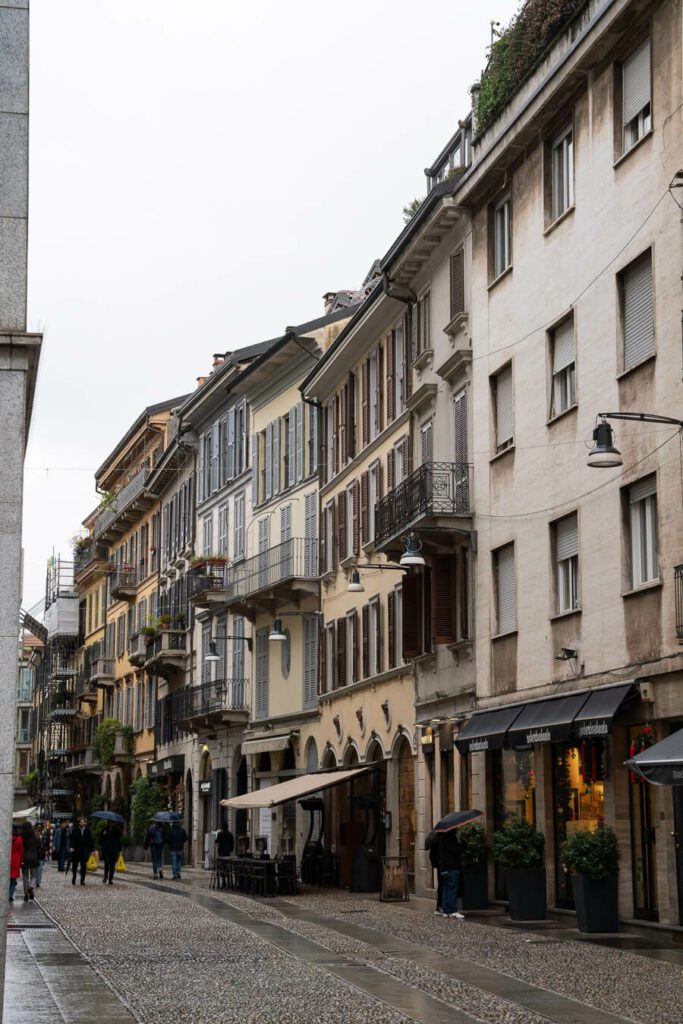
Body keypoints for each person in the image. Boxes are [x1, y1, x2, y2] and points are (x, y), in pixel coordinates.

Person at [438, 829, 465, 919]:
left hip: (443, 868)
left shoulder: (442, 838)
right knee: (452, 889)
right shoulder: (451, 838)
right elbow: (456, 850)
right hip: (451, 867)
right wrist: (464, 843)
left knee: (446, 889)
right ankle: (452, 910)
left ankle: (446, 910)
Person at [70, 816, 94, 886]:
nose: (82, 823)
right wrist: (71, 847)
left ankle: (82, 880)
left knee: (83, 865)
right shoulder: (75, 830)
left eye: (83, 822)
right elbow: (71, 839)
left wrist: (92, 849)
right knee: (75, 866)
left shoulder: (87, 830)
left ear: (85, 823)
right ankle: (74, 877)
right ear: (79, 823)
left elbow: (90, 840)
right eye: (81, 822)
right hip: (76, 850)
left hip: (84, 851)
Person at [20, 822, 39, 901]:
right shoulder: (35, 835)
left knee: (25, 877)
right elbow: (39, 846)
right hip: (34, 857)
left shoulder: (21, 836)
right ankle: (31, 887)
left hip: (24, 858)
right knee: (34, 875)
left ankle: (26, 895)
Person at [215, 821, 234, 889]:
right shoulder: (230, 834)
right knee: (228, 868)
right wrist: (230, 850)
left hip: (221, 853)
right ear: (228, 827)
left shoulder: (220, 834)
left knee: (222, 868)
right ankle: (229, 881)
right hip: (227, 853)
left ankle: (223, 882)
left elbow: (216, 841)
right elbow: (232, 844)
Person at [9, 825, 23, 902]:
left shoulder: (7, 838)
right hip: (16, 860)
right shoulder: (19, 839)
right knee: (13, 879)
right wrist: (21, 861)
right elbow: (21, 852)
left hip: (7, 858)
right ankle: (10, 895)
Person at [428, 839, 443, 915]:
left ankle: (441, 906)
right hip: (442, 866)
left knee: (442, 886)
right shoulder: (437, 840)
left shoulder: (437, 839)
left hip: (441, 865)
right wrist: (437, 864)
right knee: (442, 886)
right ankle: (440, 906)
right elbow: (432, 854)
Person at [34, 824, 49, 889]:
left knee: (39, 869)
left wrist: (45, 850)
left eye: (39, 828)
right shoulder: (34, 836)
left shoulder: (44, 836)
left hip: (41, 855)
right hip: (35, 854)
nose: (38, 830)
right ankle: (35, 882)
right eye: (37, 828)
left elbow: (46, 844)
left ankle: (37, 882)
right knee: (36, 869)